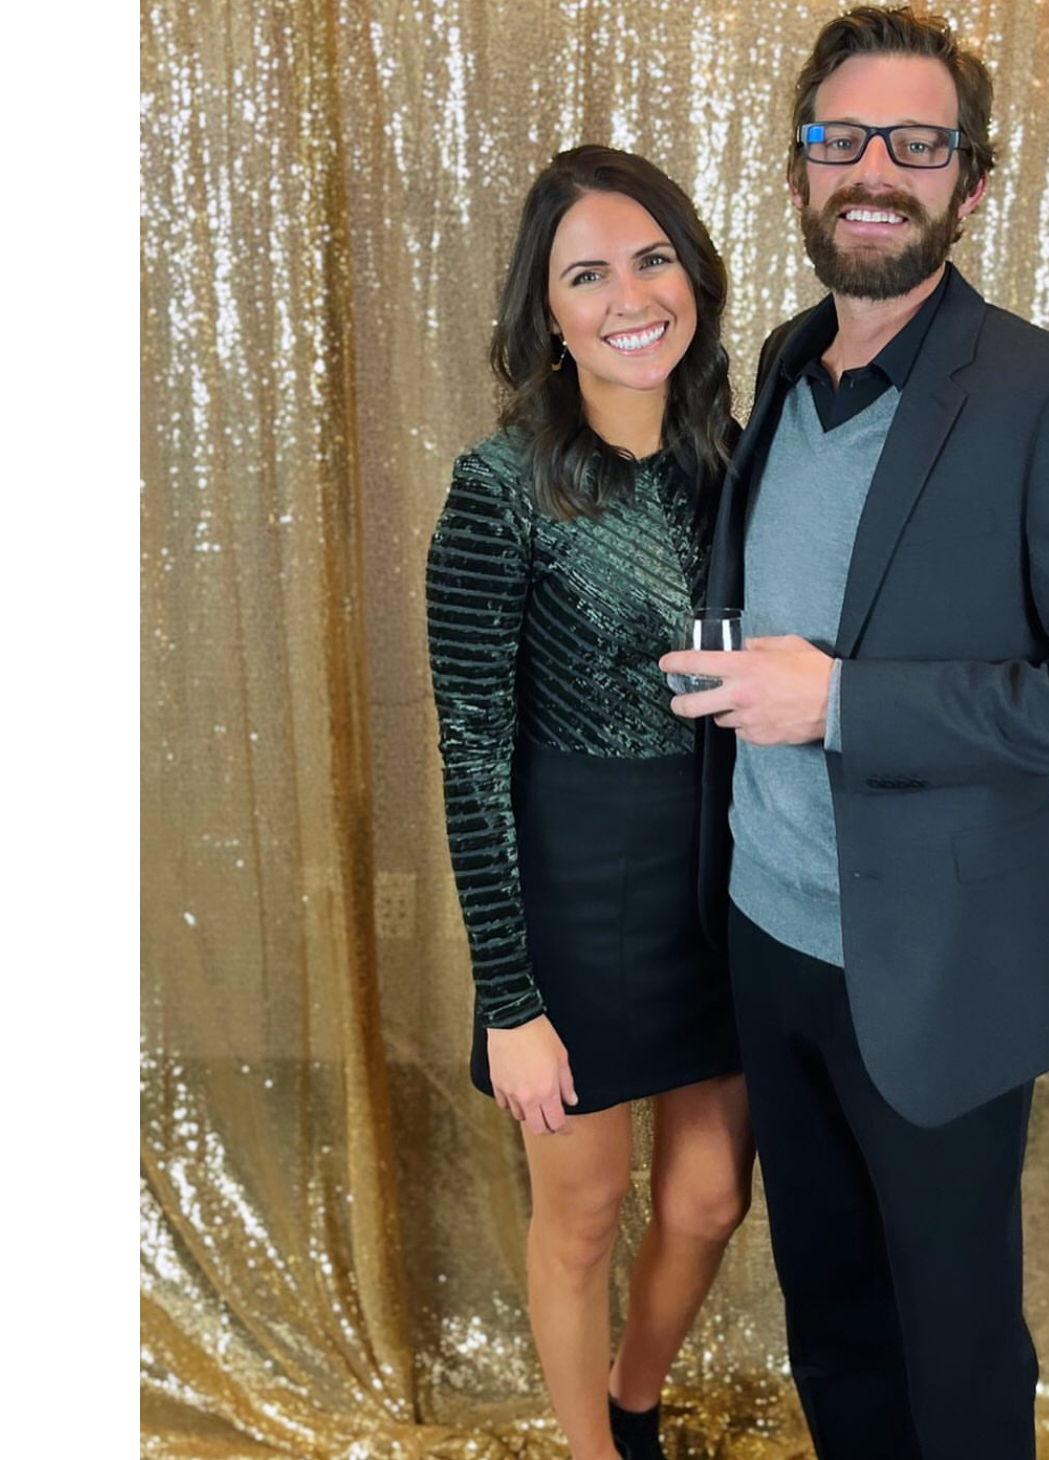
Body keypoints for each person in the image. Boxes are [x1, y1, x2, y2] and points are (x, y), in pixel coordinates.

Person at [659, 8, 1049, 1457]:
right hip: (767, 941)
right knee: (833, 1323)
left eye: (918, 143)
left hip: (939, 969)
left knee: (953, 1350)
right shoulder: (784, 361)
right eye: (841, 139)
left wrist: (843, 702)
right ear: (799, 172)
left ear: (973, 182)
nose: (875, 171)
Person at [425, 145, 753, 1460]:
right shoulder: (500, 486)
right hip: (572, 896)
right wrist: (510, 1003)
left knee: (710, 1200)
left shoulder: (737, 465)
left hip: (722, 881)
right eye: (587, 274)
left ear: (694, 281)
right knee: (582, 1214)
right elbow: (469, 750)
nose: (629, 296)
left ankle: (631, 1403)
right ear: (548, 314)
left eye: (653, 259)